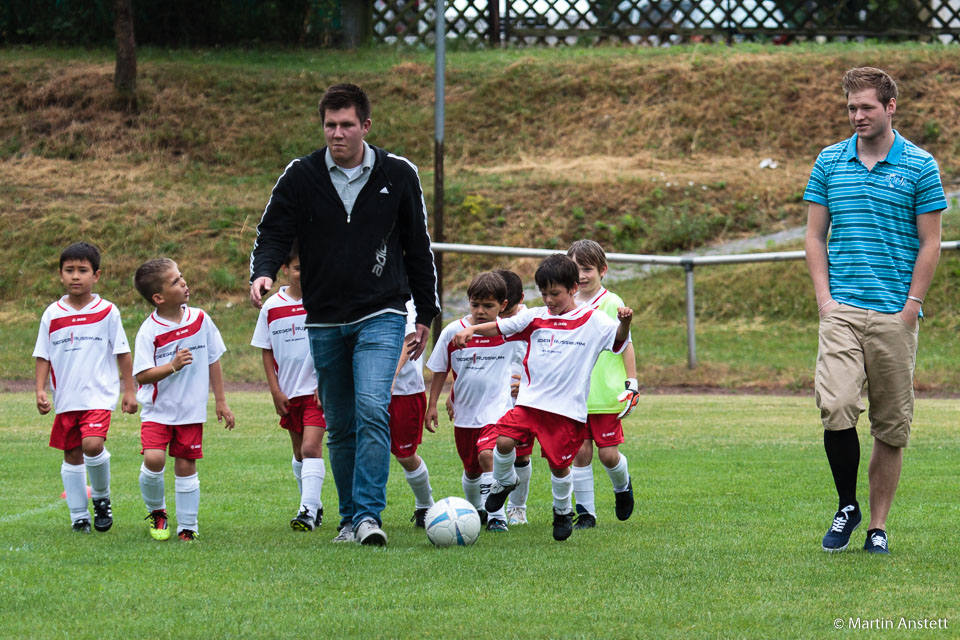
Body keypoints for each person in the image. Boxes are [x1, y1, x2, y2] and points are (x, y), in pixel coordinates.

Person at [249, 83, 440, 547]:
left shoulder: (399, 173)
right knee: (340, 420)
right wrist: (263, 272)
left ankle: (369, 516)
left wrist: (426, 311)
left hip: (383, 311)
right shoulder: (301, 175)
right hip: (325, 318)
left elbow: (419, 247)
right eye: (330, 125)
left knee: (373, 406)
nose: (337, 133)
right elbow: (273, 230)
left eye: (347, 125)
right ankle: (348, 518)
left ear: (365, 126)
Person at [804, 67, 946, 554]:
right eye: (850, 108)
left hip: (895, 316)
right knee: (837, 406)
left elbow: (931, 243)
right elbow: (813, 236)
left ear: (890, 107)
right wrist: (825, 300)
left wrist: (911, 308)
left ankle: (877, 528)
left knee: (890, 425)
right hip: (841, 309)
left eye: (866, 107)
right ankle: (848, 505)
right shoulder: (828, 161)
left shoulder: (921, 165)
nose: (857, 116)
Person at [453, 254, 633, 541]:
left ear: (573, 289)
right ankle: (504, 481)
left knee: (559, 465)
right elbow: (502, 327)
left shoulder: (593, 320)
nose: (549, 299)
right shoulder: (535, 317)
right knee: (503, 441)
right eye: (544, 293)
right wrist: (472, 329)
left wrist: (624, 322)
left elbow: (619, 342)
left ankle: (562, 512)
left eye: (555, 293)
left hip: (566, 410)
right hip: (530, 403)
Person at [33, 242, 138, 533]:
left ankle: (102, 499)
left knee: (92, 444)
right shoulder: (52, 314)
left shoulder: (107, 311)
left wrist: (129, 390)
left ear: (96, 275)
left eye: (82, 270)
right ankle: (78, 515)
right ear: (60, 275)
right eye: (69, 270)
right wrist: (41, 389)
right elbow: (43, 355)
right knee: (72, 455)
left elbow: (122, 352)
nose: (75, 276)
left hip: (99, 395)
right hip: (67, 397)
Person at [133, 258, 235, 542]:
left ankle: (188, 527)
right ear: (158, 297)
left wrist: (221, 402)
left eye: (182, 277)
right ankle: (158, 513)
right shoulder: (149, 330)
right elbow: (142, 375)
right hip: (157, 411)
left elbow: (213, 360)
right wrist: (172, 366)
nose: (184, 282)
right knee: (154, 459)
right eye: (176, 281)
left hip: (190, 411)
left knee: (186, 464)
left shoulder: (201, 319)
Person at [426, 272, 520, 532]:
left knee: (487, 455)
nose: (480, 311)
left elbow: (532, 355)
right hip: (465, 413)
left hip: (497, 411)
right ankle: (475, 511)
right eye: (475, 304)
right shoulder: (453, 332)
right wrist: (432, 404)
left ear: (502, 305)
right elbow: (439, 369)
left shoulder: (509, 332)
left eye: (488, 306)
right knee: (471, 470)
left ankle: (497, 516)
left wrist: (523, 383)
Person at [250, 241, 327, 532]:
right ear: (285, 269)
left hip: (318, 392)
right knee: (299, 453)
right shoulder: (271, 307)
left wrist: (327, 381)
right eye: (297, 268)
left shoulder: (323, 300)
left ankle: (306, 510)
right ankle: (314, 505)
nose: (303, 274)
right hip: (288, 392)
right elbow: (266, 350)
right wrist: (275, 390)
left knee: (311, 447)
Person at [567, 240, 640, 530]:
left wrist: (631, 383)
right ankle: (585, 513)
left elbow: (626, 344)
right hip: (574, 394)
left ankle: (622, 487)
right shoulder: (566, 304)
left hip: (605, 394)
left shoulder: (612, 303)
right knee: (580, 453)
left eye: (587, 269)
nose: (582, 276)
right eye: (575, 269)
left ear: (603, 270)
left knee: (608, 454)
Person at [494, 269, 536, 527]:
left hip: (522, 401)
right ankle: (488, 509)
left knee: (521, 456)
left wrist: (527, 383)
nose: (503, 319)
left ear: (520, 299)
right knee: (489, 453)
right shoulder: (490, 324)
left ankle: (517, 508)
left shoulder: (532, 322)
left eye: (507, 313)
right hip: (491, 401)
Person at [389, 298, 434, 528]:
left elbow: (410, 340)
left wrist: (391, 377)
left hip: (404, 391)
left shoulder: (403, 302)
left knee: (405, 455)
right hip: (368, 388)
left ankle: (426, 505)